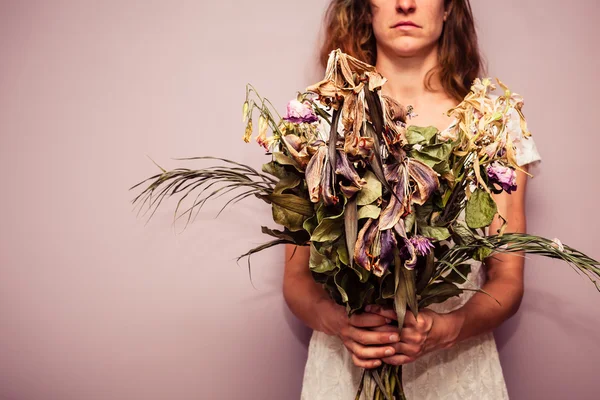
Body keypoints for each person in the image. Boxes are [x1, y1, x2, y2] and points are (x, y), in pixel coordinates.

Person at [283, 0, 542, 399]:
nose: (405, 3)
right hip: (347, 366)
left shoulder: (491, 122)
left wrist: (450, 327)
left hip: (455, 370)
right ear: (365, 9)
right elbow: (297, 278)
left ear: (448, 9)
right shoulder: (319, 117)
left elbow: (507, 279)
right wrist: (340, 323)